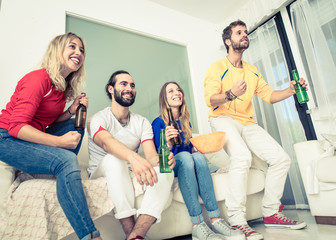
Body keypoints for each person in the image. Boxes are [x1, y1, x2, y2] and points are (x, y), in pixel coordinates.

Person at [204, 20, 307, 240]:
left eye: (246, 32)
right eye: (239, 33)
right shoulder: (217, 67)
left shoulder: (252, 71)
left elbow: (269, 96)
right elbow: (211, 99)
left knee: (281, 158)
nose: (244, 35)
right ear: (228, 41)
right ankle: (237, 220)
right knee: (241, 156)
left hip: (247, 121)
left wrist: (289, 90)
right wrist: (230, 93)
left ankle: (270, 212)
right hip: (222, 117)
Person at [0, 33, 101, 240]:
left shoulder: (61, 87)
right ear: (58, 50)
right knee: (67, 159)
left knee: (76, 124)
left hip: (26, 137)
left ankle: (53, 170)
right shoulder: (37, 79)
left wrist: (72, 110)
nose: (78, 53)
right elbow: (16, 127)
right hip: (6, 139)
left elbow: (48, 122)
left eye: (82, 50)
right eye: (72, 47)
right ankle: (90, 236)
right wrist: (59, 142)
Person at [87, 70, 175, 240]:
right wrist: (133, 158)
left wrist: (165, 159)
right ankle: (129, 232)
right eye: (123, 84)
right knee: (114, 159)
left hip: (129, 170)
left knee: (165, 169)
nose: (129, 88)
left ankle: (136, 235)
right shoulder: (98, 118)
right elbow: (105, 142)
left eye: (132, 85)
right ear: (110, 89)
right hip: (100, 171)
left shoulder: (141, 122)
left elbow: (150, 156)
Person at [152, 82, 245, 240]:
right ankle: (197, 224)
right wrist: (167, 143)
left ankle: (216, 220)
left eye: (179, 89)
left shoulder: (185, 122)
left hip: (187, 164)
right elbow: (159, 161)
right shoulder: (158, 123)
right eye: (171, 91)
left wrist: (201, 147)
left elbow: (190, 152)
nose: (177, 93)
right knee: (186, 157)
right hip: (170, 166)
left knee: (197, 156)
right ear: (164, 99)